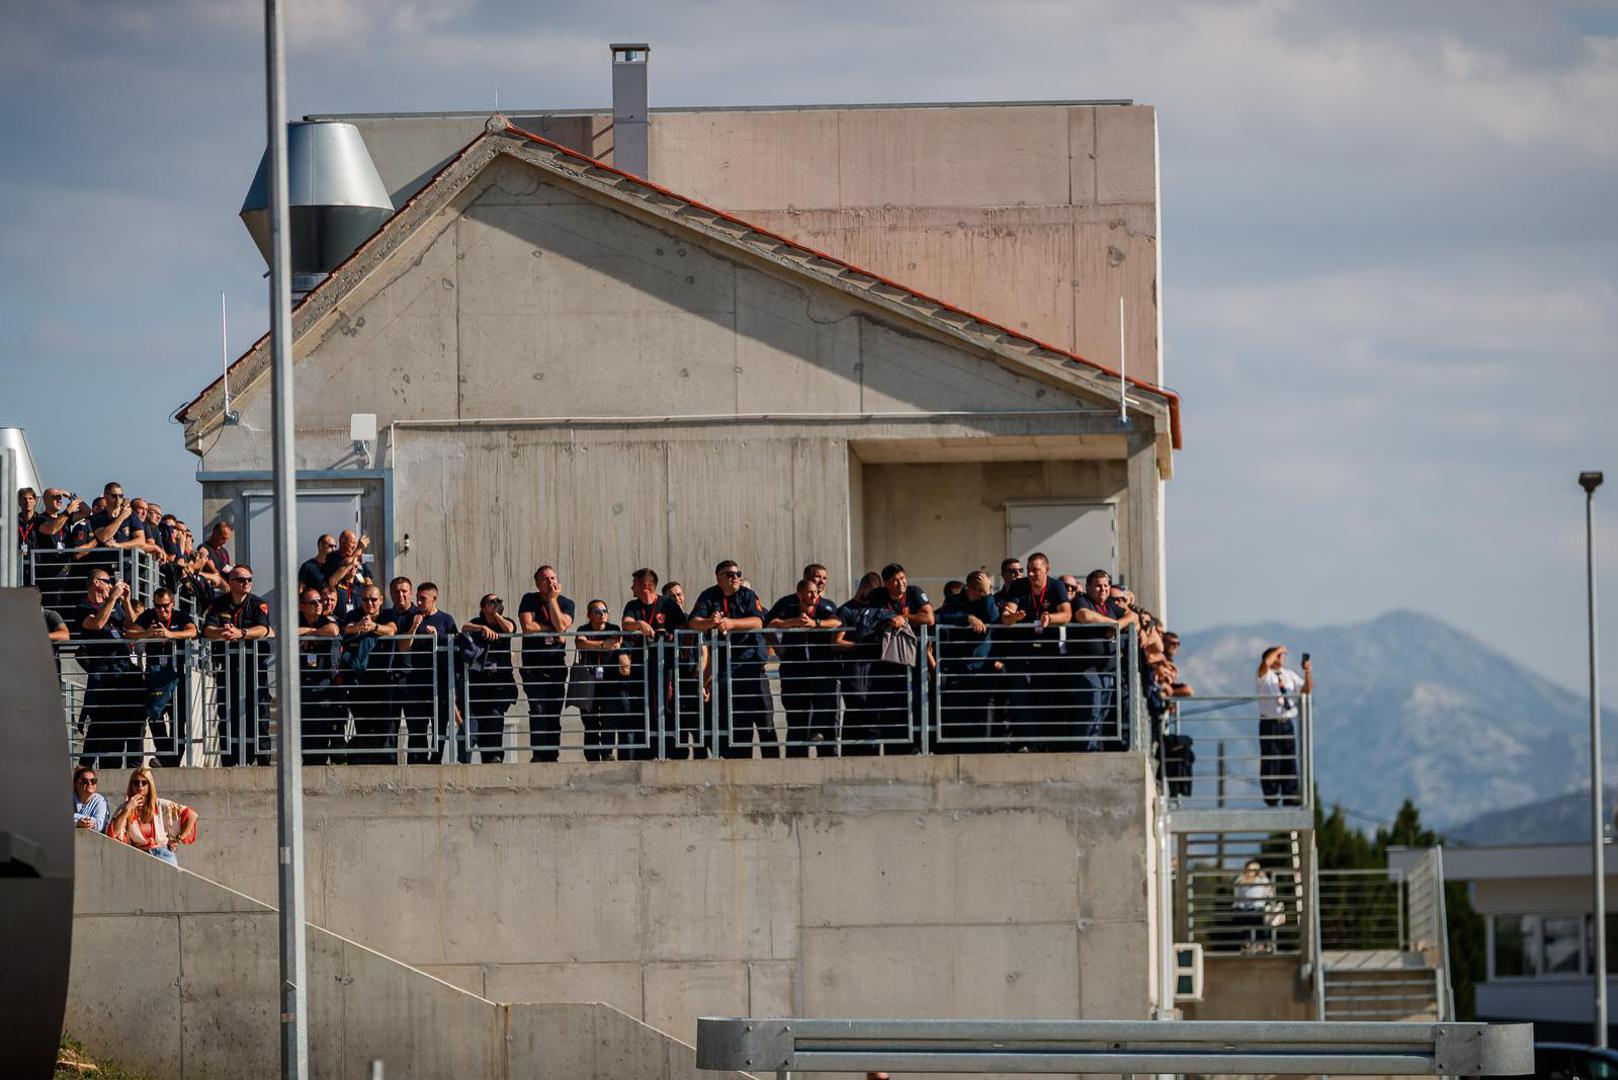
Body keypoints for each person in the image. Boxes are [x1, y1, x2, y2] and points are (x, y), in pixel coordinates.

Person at [688, 560, 774, 759]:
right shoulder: (708, 596)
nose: (735, 577)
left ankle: (750, 758)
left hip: (748, 664)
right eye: (729, 574)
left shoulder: (748, 595)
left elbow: (758, 622)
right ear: (719, 577)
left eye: (737, 573)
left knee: (755, 715)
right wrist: (710, 622)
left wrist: (731, 623)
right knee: (726, 714)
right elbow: (694, 622)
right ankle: (732, 757)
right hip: (722, 666)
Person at [997, 553, 1071, 749]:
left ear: (1046, 569)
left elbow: (1067, 614)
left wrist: (1050, 618)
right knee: (1020, 695)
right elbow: (1006, 616)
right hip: (1022, 649)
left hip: (1047, 651)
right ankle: (1029, 741)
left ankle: (1045, 742)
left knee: (1046, 696)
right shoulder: (1020, 586)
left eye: (1035, 570)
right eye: (1028, 569)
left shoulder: (1056, 586)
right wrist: (1014, 618)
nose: (1030, 574)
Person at [202, 565, 273, 766]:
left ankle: (262, 761)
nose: (246, 583)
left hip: (254, 669)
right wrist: (222, 633)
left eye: (249, 579)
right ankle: (230, 762)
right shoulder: (219, 604)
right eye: (241, 580)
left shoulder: (258, 604)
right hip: (227, 669)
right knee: (227, 715)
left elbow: (263, 628)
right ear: (230, 583)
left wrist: (241, 633)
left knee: (259, 715)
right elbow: (207, 629)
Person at [74, 569, 143, 768]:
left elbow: (132, 626)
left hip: (122, 669)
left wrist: (127, 601)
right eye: (107, 581)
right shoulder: (83, 606)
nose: (111, 584)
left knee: (122, 719)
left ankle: (115, 764)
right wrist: (112, 599)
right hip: (103, 671)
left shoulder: (115, 605)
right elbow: (97, 623)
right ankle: (85, 766)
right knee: (99, 722)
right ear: (96, 582)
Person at [862, 563, 933, 754]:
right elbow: (871, 618)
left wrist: (905, 618)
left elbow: (928, 618)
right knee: (888, 704)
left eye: (902, 578)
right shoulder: (878, 596)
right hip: (887, 660)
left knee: (917, 701)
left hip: (914, 659)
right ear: (885, 583)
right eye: (894, 580)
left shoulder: (914, 592)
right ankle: (893, 746)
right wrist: (889, 618)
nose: (900, 583)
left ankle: (917, 745)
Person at [767, 578, 842, 757]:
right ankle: (796, 756)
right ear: (799, 594)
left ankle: (820, 739)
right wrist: (792, 623)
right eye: (809, 592)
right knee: (796, 717)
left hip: (820, 667)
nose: (814, 595)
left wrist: (815, 624)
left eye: (816, 592)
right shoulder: (789, 607)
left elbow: (837, 622)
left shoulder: (824, 608)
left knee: (825, 704)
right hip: (794, 668)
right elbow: (771, 624)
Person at [1068, 568, 1137, 751]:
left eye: (1106, 586)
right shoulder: (1082, 600)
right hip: (1086, 668)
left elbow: (1133, 617)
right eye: (1098, 586)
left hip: (1106, 670)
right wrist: (1110, 623)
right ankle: (1084, 750)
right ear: (1089, 587)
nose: (1103, 590)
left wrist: (1117, 625)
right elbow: (1084, 615)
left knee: (1102, 711)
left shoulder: (1110, 606)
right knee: (1092, 707)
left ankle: (1094, 748)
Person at [622, 568, 686, 760]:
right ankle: (648, 751)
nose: (631, 587)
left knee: (667, 706)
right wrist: (639, 625)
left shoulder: (667, 605)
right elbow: (626, 623)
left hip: (666, 667)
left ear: (645, 586)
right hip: (643, 668)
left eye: (634, 584)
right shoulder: (633, 605)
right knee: (644, 708)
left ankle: (671, 751)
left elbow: (683, 627)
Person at [131, 586, 198, 767]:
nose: (162, 610)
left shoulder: (180, 616)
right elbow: (130, 632)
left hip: (177, 676)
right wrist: (146, 634)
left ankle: (172, 760)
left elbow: (193, 631)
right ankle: (165, 755)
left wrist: (171, 635)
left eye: (166, 606)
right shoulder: (148, 616)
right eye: (158, 606)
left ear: (172, 603)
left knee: (179, 720)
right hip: (156, 676)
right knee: (155, 715)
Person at [936, 570, 1001, 752]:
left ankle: (985, 749)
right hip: (958, 666)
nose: (981, 594)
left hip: (981, 667)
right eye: (979, 590)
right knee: (959, 711)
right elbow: (941, 617)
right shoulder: (955, 600)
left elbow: (994, 619)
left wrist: (988, 594)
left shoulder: (987, 601)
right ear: (970, 588)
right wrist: (967, 618)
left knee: (984, 711)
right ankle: (962, 749)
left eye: (984, 591)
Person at [517, 565, 575, 763]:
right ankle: (539, 753)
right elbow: (527, 626)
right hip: (533, 667)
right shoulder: (529, 599)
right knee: (539, 710)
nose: (550, 582)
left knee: (553, 712)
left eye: (553, 578)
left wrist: (552, 601)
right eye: (545, 579)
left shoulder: (566, 603)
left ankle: (552, 754)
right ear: (537, 583)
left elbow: (563, 625)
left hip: (556, 667)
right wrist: (554, 630)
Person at [340, 584, 399, 764]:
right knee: (363, 723)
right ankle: (363, 760)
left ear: (381, 599)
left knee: (385, 725)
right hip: (359, 681)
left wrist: (373, 627)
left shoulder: (388, 614)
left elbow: (391, 630)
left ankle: (386, 762)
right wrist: (359, 626)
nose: (369, 603)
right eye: (365, 599)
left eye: (373, 599)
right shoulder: (353, 615)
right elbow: (346, 628)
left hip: (383, 680)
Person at [403, 582, 460, 764]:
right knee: (416, 725)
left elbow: (455, 647)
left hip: (440, 681)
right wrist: (413, 627)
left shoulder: (446, 620)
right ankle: (418, 760)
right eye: (417, 598)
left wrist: (438, 637)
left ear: (434, 599)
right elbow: (403, 648)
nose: (419, 603)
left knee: (439, 723)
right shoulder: (412, 618)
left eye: (423, 599)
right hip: (417, 680)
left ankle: (436, 759)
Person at [571, 600, 631, 761]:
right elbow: (580, 643)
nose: (601, 614)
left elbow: (615, 644)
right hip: (588, 680)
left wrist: (593, 645)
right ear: (589, 615)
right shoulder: (582, 629)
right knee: (589, 720)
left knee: (608, 718)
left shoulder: (614, 629)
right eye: (597, 611)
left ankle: (607, 752)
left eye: (604, 610)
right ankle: (591, 754)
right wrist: (604, 644)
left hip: (609, 680)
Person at [461, 594, 517, 763]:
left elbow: (509, 629)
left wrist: (496, 615)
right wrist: (482, 629)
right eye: (491, 602)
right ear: (483, 607)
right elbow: (464, 627)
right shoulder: (477, 622)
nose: (496, 604)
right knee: (479, 719)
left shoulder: (505, 621)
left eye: (498, 601)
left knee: (495, 716)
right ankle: (484, 756)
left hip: (500, 679)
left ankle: (495, 755)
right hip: (479, 679)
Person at [106, 767, 197, 867]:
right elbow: (112, 833)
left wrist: (178, 839)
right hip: (140, 856)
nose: (140, 786)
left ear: (149, 786)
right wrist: (127, 809)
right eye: (136, 783)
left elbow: (191, 815)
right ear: (131, 785)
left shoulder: (159, 804)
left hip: (164, 854)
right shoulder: (125, 808)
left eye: (144, 782)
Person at [1255, 645, 1311, 806]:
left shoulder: (1289, 674)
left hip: (1286, 722)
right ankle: (1271, 795)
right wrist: (1278, 649)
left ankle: (1290, 794)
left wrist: (1307, 672)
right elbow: (1265, 662)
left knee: (1289, 760)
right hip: (1269, 723)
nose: (1282, 658)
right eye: (1279, 656)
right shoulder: (1264, 675)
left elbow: (1306, 690)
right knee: (1271, 760)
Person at [1231, 858, 1277, 954]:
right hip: (1243, 910)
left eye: (1256, 869)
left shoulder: (1262, 880)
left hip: (1258, 909)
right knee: (1248, 917)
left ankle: (1258, 945)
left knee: (1258, 917)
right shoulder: (1240, 881)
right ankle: (1254, 945)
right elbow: (1236, 896)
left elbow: (1271, 893)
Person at [72, 766, 109, 832]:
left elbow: (100, 824)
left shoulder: (100, 800)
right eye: (85, 781)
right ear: (76, 784)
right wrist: (77, 823)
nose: (90, 783)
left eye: (93, 781)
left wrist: (78, 820)